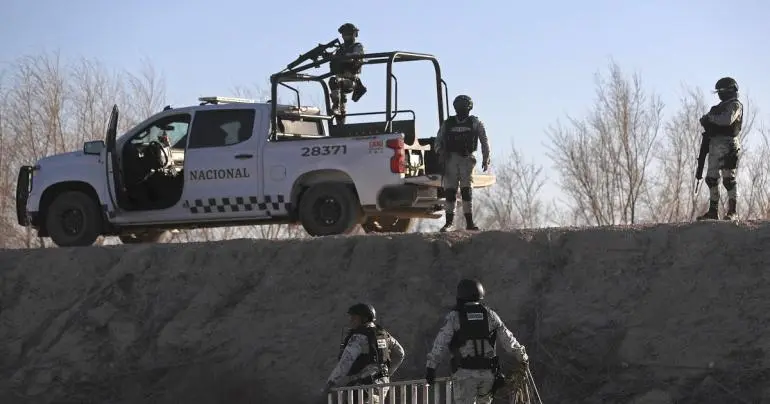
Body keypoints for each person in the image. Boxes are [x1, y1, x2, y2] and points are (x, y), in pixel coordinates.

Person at [424, 279, 529, 404]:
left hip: (465, 374)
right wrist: (522, 357)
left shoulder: (455, 316)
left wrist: (431, 367)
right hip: (488, 375)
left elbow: (440, 343)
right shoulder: (490, 315)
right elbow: (508, 340)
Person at [326, 303, 405, 403]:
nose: (351, 320)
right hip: (382, 385)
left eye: (354, 318)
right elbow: (400, 353)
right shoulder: (383, 334)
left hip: (364, 387)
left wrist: (331, 382)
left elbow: (345, 362)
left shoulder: (359, 336)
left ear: (364, 318)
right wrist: (387, 373)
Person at [434, 95, 491, 232]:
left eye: (464, 106)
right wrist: (441, 152)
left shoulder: (475, 122)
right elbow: (438, 140)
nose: (461, 109)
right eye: (459, 106)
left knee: (466, 190)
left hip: (467, 159)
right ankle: (449, 223)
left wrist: (486, 158)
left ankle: (469, 222)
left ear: (469, 107)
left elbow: (484, 140)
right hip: (451, 159)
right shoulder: (448, 123)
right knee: (450, 191)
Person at [697, 76, 744, 221]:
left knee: (728, 179)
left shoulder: (735, 105)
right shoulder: (717, 107)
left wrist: (710, 119)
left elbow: (726, 120)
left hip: (729, 145)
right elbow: (705, 120)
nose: (719, 94)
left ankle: (732, 211)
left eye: (722, 91)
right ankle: (713, 211)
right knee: (711, 179)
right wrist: (708, 119)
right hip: (714, 144)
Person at [329, 23, 366, 121]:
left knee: (338, 84)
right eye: (344, 34)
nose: (346, 36)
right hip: (339, 79)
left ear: (354, 34)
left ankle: (336, 106)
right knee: (334, 82)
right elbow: (333, 61)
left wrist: (343, 58)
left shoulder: (358, 46)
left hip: (351, 81)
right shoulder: (340, 49)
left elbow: (356, 56)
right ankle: (339, 117)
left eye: (348, 34)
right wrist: (331, 57)